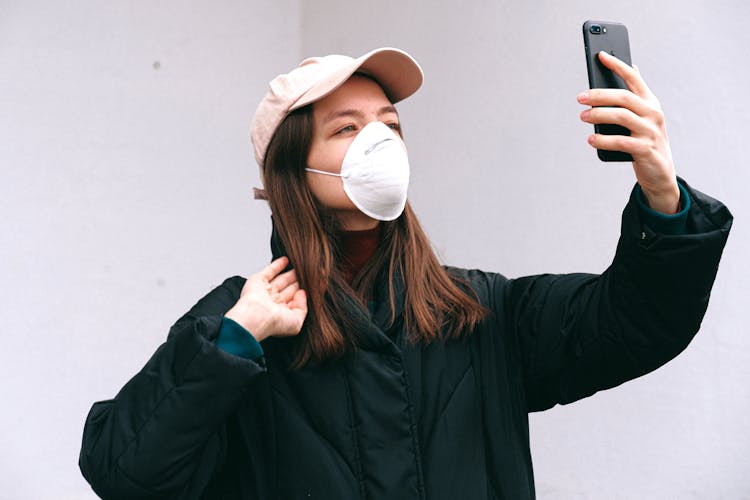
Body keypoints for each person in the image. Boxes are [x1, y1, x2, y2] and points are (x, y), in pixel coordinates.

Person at [79, 47, 732, 499]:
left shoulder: (480, 310)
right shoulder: (238, 326)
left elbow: (637, 323)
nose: (380, 142)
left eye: (389, 124)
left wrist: (663, 195)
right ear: (290, 169)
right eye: (348, 127)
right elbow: (125, 474)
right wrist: (233, 342)